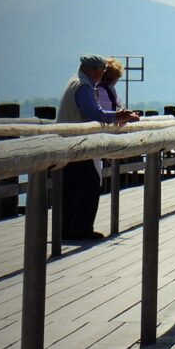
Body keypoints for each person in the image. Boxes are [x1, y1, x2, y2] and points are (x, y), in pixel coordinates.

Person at [57, 54, 139, 240]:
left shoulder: (73, 82)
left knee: (70, 188)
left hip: (67, 142)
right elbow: (93, 112)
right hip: (80, 143)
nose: (102, 75)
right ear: (93, 70)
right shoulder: (84, 86)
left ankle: (65, 228)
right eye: (101, 71)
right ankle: (81, 228)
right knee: (90, 185)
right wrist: (117, 116)